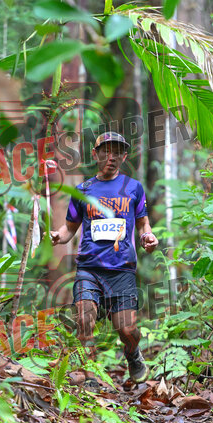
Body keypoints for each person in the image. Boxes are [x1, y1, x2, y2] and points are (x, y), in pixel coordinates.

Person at [50, 131, 159, 383]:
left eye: (117, 153)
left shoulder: (133, 188)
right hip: (89, 267)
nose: (112, 157)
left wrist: (148, 237)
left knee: (127, 329)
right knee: (84, 317)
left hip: (122, 269)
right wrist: (58, 236)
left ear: (124, 157)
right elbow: (70, 228)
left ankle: (132, 354)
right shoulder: (83, 190)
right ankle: (89, 375)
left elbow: (143, 224)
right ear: (95, 154)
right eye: (106, 152)